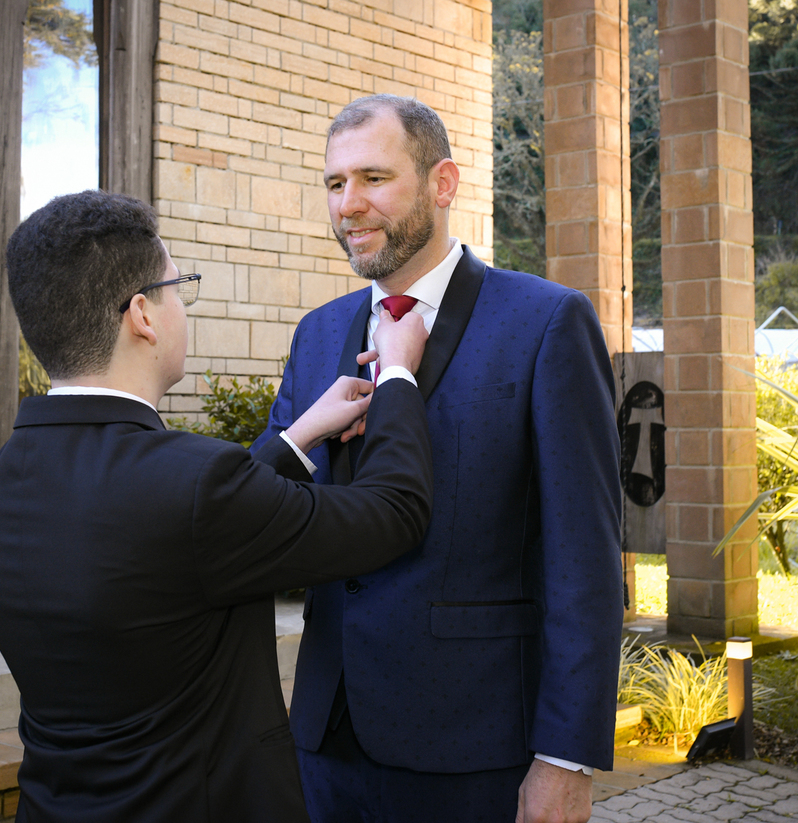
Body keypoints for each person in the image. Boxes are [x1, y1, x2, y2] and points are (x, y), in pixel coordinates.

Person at [0, 190, 434, 823]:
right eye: (176, 286)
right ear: (142, 315)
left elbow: (172, 535)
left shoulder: (0, 485)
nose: (180, 306)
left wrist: (299, 434)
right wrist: (402, 375)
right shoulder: (191, 486)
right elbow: (394, 514)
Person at [253, 94, 624, 823]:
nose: (349, 205)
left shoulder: (546, 322)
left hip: (478, 747)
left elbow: (585, 559)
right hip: (326, 743)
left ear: (442, 183)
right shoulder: (317, 332)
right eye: (334, 184)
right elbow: (266, 518)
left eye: (373, 178)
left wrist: (564, 757)